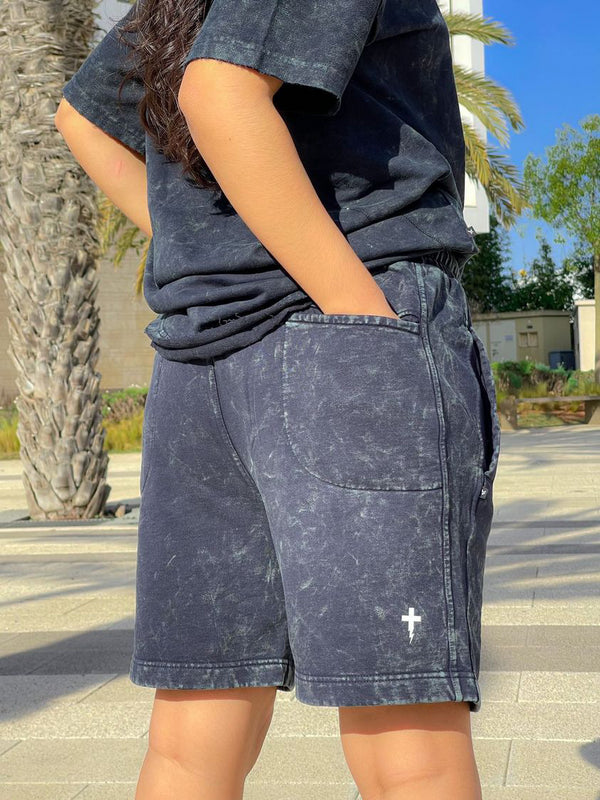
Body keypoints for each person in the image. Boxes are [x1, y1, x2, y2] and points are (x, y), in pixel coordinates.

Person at [56, 0, 501, 797]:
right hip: (348, 342)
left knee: (190, 746)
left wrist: (215, 253)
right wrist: (359, 311)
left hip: (202, 361)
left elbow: (82, 118)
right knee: (410, 747)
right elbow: (219, 90)